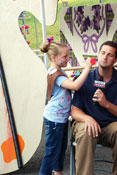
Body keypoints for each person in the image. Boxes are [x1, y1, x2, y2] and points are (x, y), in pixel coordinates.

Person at [71, 41, 117, 175]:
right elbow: (74, 110)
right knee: (86, 131)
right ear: (98, 55)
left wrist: (107, 104)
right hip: (86, 123)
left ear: (115, 60)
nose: (105, 57)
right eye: (103, 53)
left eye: (110, 55)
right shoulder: (86, 77)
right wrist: (87, 118)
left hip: (110, 126)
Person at [39, 39, 93, 175]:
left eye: (68, 55)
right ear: (53, 58)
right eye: (64, 56)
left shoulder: (59, 71)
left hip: (60, 119)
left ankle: (58, 172)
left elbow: (70, 84)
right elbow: (74, 86)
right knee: (52, 151)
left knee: (61, 149)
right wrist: (86, 69)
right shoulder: (55, 74)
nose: (67, 59)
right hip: (54, 119)